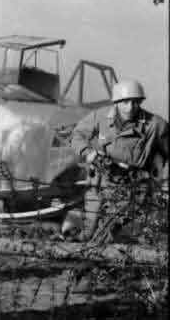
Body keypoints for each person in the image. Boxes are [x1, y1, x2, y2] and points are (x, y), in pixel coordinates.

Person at [69, 79, 168, 244]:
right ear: (116, 102)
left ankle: (95, 256)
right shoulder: (100, 116)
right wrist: (90, 154)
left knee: (105, 231)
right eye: (125, 102)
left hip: (132, 186)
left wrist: (160, 175)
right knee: (89, 228)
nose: (130, 108)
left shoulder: (155, 125)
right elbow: (77, 135)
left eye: (135, 102)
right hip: (101, 181)